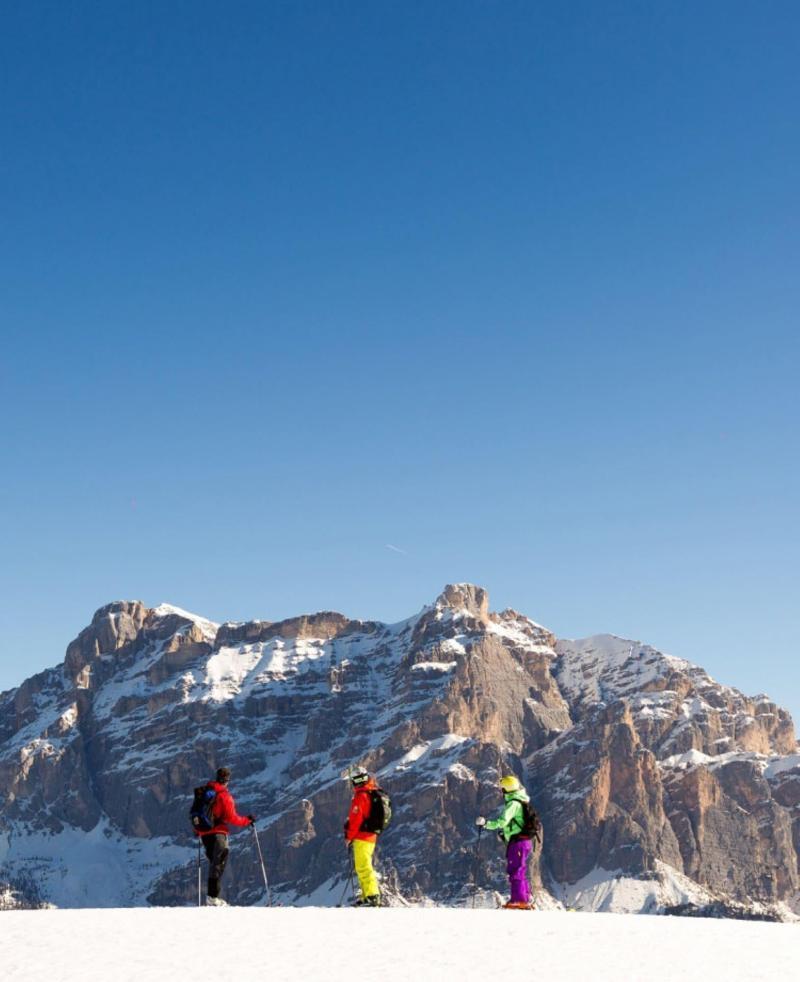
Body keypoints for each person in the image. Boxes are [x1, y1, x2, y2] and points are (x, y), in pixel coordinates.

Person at [476, 774, 537, 909]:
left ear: (506, 790)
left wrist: (485, 823)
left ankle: (519, 900)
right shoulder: (520, 801)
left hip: (518, 842)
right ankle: (524, 898)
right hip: (523, 842)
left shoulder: (513, 804)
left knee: (515, 870)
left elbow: (502, 822)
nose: (501, 791)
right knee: (519, 870)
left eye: (502, 789)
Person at [197, 766, 255, 906]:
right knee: (219, 863)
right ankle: (212, 898)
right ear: (227, 780)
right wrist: (247, 820)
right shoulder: (224, 795)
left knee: (214, 863)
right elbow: (232, 818)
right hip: (218, 833)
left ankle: (212, 898)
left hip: (204, 834)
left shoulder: (205, 792)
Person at [344, 766, 381, 907]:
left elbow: (355, 819)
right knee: (361, 866)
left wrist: (348, 836)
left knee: (364, 867)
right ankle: (367, 897)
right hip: (369, 836)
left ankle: (372, 896)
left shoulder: (361, 796)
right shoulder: (370, 792)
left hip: (362, 836)